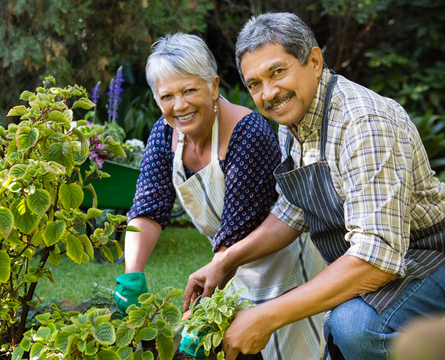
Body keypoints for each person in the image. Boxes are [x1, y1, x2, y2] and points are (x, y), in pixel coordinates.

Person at [183, 12, 445, 360]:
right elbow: (292, 212)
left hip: (428, 258)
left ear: (315, 62)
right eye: (255, 84)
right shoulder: (294, 120)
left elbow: (375, 258)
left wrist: (266, 317)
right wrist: (226, 259)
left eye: (277, 72)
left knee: (355, 327)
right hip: (379, 262)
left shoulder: (363, 123)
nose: (269, 93)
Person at [113, 32, 326, 359]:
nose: (179, 105)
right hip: (228, 266)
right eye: (167, 96)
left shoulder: (247, 133)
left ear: (213, 87)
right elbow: (148, 206)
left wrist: (201, 312)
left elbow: (238, 229)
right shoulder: (165, 133)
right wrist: (132, 272)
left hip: (283, 260)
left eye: (189, 90)